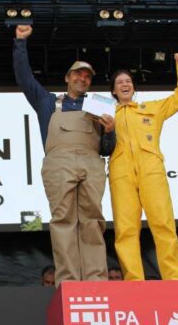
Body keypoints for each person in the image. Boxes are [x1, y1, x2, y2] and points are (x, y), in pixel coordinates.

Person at [13, 24, 115, 285]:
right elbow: (25, 78)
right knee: (63, 221)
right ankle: (68, 281)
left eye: (87, 76)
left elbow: (106, 148)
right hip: (59, 162)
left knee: (92, 221)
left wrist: (110, 131)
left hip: (92, 161)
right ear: (67, 77)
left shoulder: (100, 106)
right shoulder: (48, 102)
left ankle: (96, 280)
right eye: (77, 74)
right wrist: (20, 43)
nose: (83, 79)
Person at [108, 53, 178, 281]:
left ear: (133, 87)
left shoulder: (152, 107)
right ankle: (134, 281)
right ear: (113, 91)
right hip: (120, 172)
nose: (124, 84)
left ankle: (174, 278)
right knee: (125, 231)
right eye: (119, 82)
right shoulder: (105, 113)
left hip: (151, 170)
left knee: (163, 224)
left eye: (128, 81)